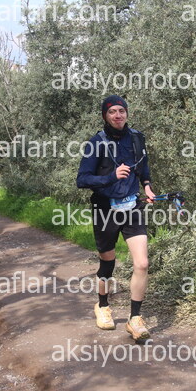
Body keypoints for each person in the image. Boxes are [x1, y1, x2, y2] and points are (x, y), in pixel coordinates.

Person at [76, 95, 155, 341]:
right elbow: (82, 179)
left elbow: (143, 166)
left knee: (142, 263)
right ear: (105, 116)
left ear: (127, 113)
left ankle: (135, 319)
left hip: (132, 207)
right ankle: (102, 306)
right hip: (105, 210)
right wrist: (111, 176)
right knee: (108, 263)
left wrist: (147, 186)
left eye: (121, 110)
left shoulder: (137, 138)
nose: (118, 115)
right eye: (112, 112)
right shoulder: (96, 143)